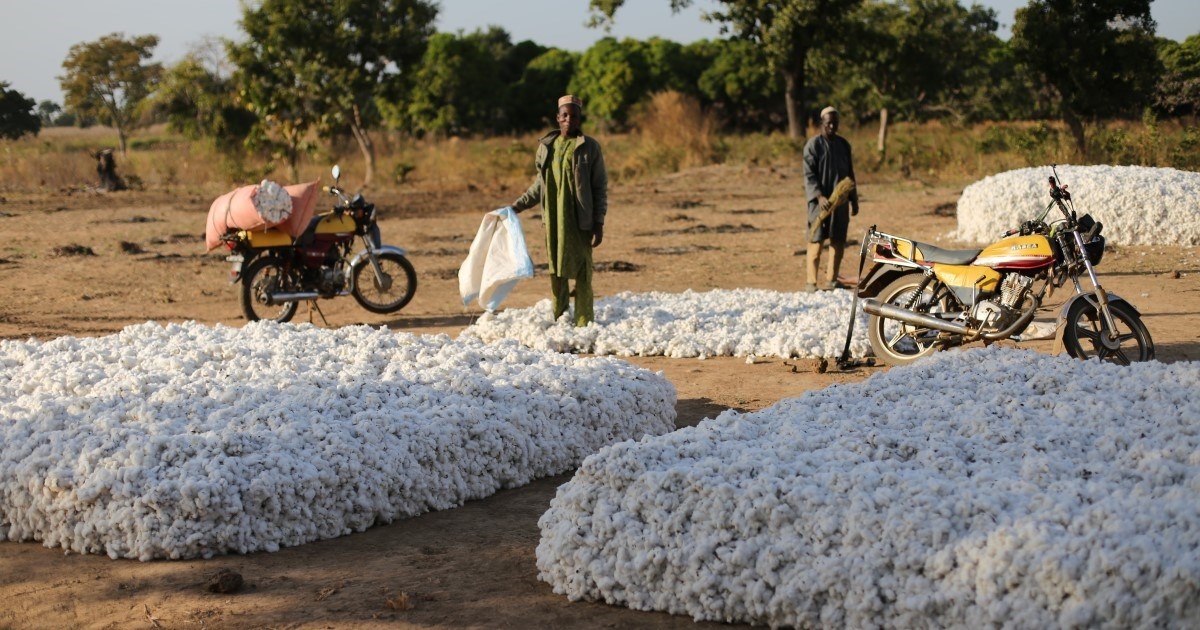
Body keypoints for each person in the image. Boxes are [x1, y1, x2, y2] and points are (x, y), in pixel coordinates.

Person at [510, 95, 608, 326]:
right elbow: (539, 185)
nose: (568, 120)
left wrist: (599, 222)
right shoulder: (546, 147)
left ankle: (584, 321)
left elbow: (599, 188)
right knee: (556, 269)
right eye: (564, 115)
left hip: (580, 221)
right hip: (553, 220)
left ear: (579, 118)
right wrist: (517, 206)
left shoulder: (590, 148)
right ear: (557, 117)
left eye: (573, 116)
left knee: (583, 271)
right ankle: (560, 316)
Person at [802, 106, 859, 291]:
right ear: (822, 124)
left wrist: (853, 199)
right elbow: (809, 175)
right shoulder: (813, 146)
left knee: (838, 240)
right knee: (816, 240)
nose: (832, 127)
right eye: (829, 123)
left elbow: (850, 175)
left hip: (840, 202)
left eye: (835, 123)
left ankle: (832, 280)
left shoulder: (844, 145)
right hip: (819, 202)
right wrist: (818, 196)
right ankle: (811, 282)